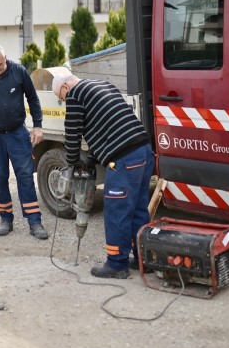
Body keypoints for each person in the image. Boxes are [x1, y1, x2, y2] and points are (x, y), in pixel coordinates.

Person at [52, 73, 154, 279]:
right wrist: (92, 158)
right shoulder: (103, 85)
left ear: (65, 87)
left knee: (117, 211)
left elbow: (72, 132)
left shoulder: (75, 94)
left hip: (124, 158)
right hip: (143, 151)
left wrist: (73, 162)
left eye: (61, 98)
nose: (64, 101)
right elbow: (106, 125)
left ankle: (117, 265)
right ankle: (144, 260)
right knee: (138, 209)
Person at [0, 44, 48, 240]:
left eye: (0, 65)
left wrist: (37, 125)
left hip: (17, 134)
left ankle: (34, 221)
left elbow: (33, 99)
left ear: (6, 59)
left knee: (25, 176)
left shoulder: (19, 72)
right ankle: (5, 219)